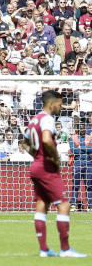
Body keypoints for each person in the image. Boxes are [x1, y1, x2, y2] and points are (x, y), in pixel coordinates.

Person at [27, 90, 86, 257]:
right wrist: (54, 158)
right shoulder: (47, 119)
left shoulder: (34, 119)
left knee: (42, 205)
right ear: (51, 104)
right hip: (47, 168)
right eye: (60, 104)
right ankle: (65, 249)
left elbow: (25, 142)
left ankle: (44, 249)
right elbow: (46, 139)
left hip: (36, 166)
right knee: (64, 205)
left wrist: (37, 156)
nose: (61, 108)